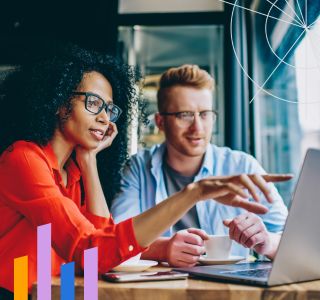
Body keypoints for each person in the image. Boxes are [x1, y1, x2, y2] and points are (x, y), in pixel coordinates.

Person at [0, 50, 289, 297]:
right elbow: (94, 249)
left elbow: (98, 246)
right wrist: (195, 193)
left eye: (109, 109)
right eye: (93, 103)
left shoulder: (71, 172)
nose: (104, 116)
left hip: (58, 293)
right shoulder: (24, 160)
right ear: (60, 103)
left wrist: (88, 161)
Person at [111, 64, 291, 267]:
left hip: (229, 291)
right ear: (160, 122)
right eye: (184, 115)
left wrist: (267, 242)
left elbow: (293, 240)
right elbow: (114, 241)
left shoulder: (242, 166)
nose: (197, 127)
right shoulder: (138, 167)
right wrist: (163, 249)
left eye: (205, 114)